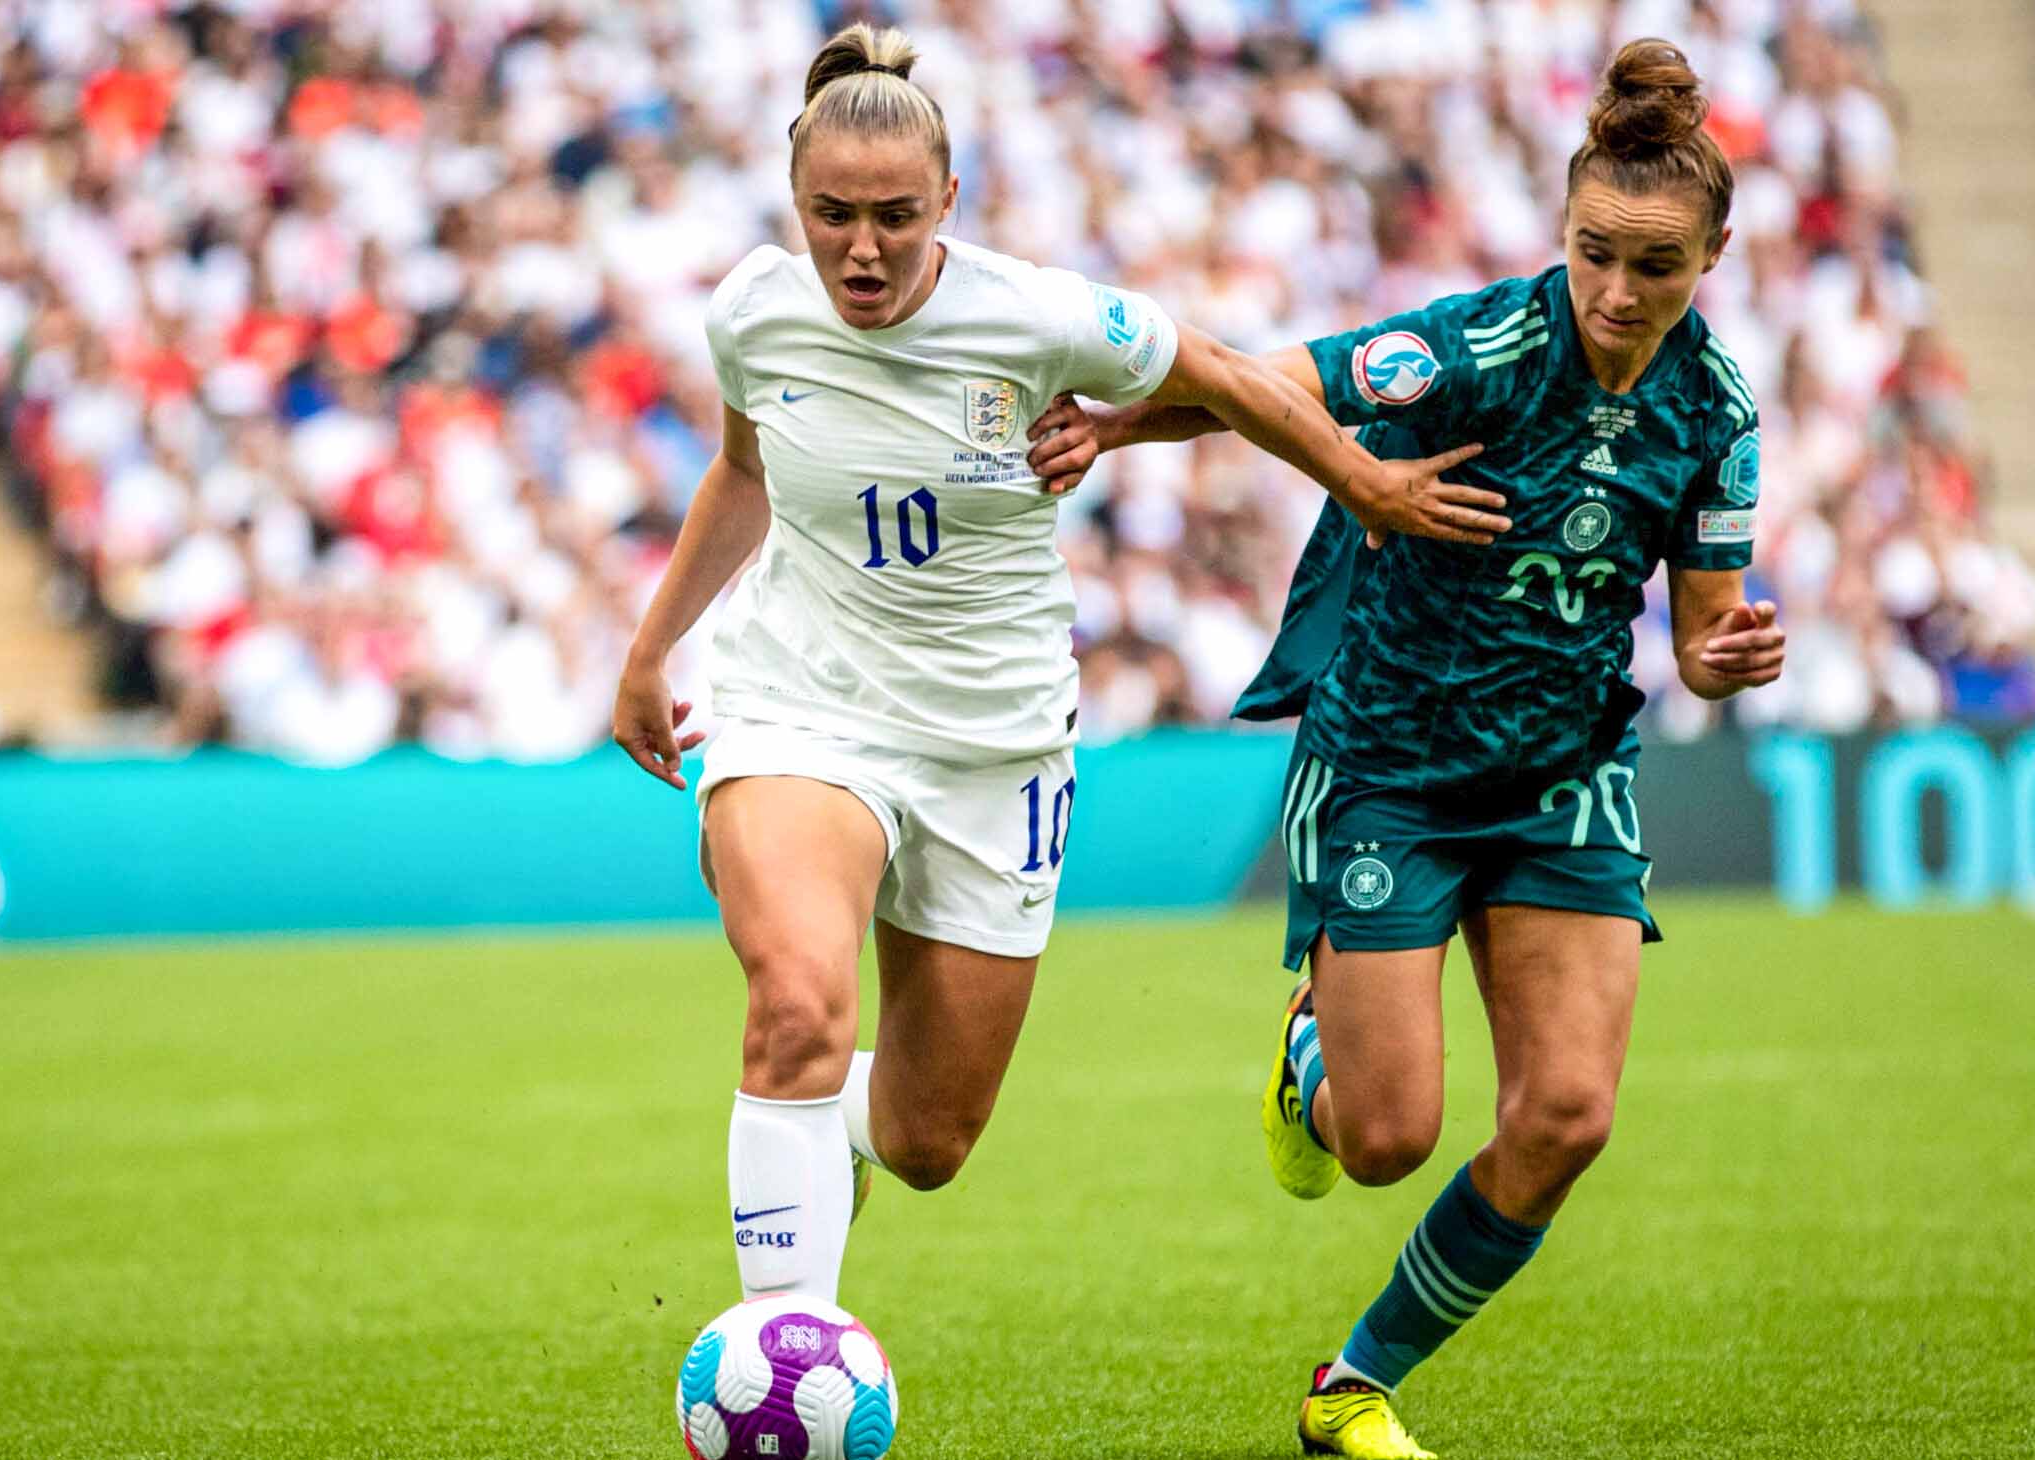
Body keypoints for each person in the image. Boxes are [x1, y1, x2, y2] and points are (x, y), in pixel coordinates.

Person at [611, 22, 1507, 1308]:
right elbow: (747, 474)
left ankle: (821, 1138)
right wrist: (652, 649)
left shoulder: (1035, 312)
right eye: (831, 215)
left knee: (927, 1138)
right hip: (799, 703)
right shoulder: (753, 309)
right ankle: (785, 1349)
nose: (860, 248)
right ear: (792, 197)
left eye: (895, 217)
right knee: (799, 1003)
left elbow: (1233, 377)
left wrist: (1359, 483)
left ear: (950, 202)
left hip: (996, 742)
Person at [1075, 39, 1786, 1459]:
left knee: (1566, 1115)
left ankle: (1350, 1391)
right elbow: (1254, 380)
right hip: (1389, 765)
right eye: (1592, 253)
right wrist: (1106, 432)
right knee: (1384, 1138)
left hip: (1558, 772)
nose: (1614, 292)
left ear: (1712, 255)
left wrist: (1721, 656)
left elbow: (1702, 632)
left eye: (1655, 266)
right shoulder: (1475, 346)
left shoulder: (1715, 419)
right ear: (1561, 231)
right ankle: (1308, 1059)